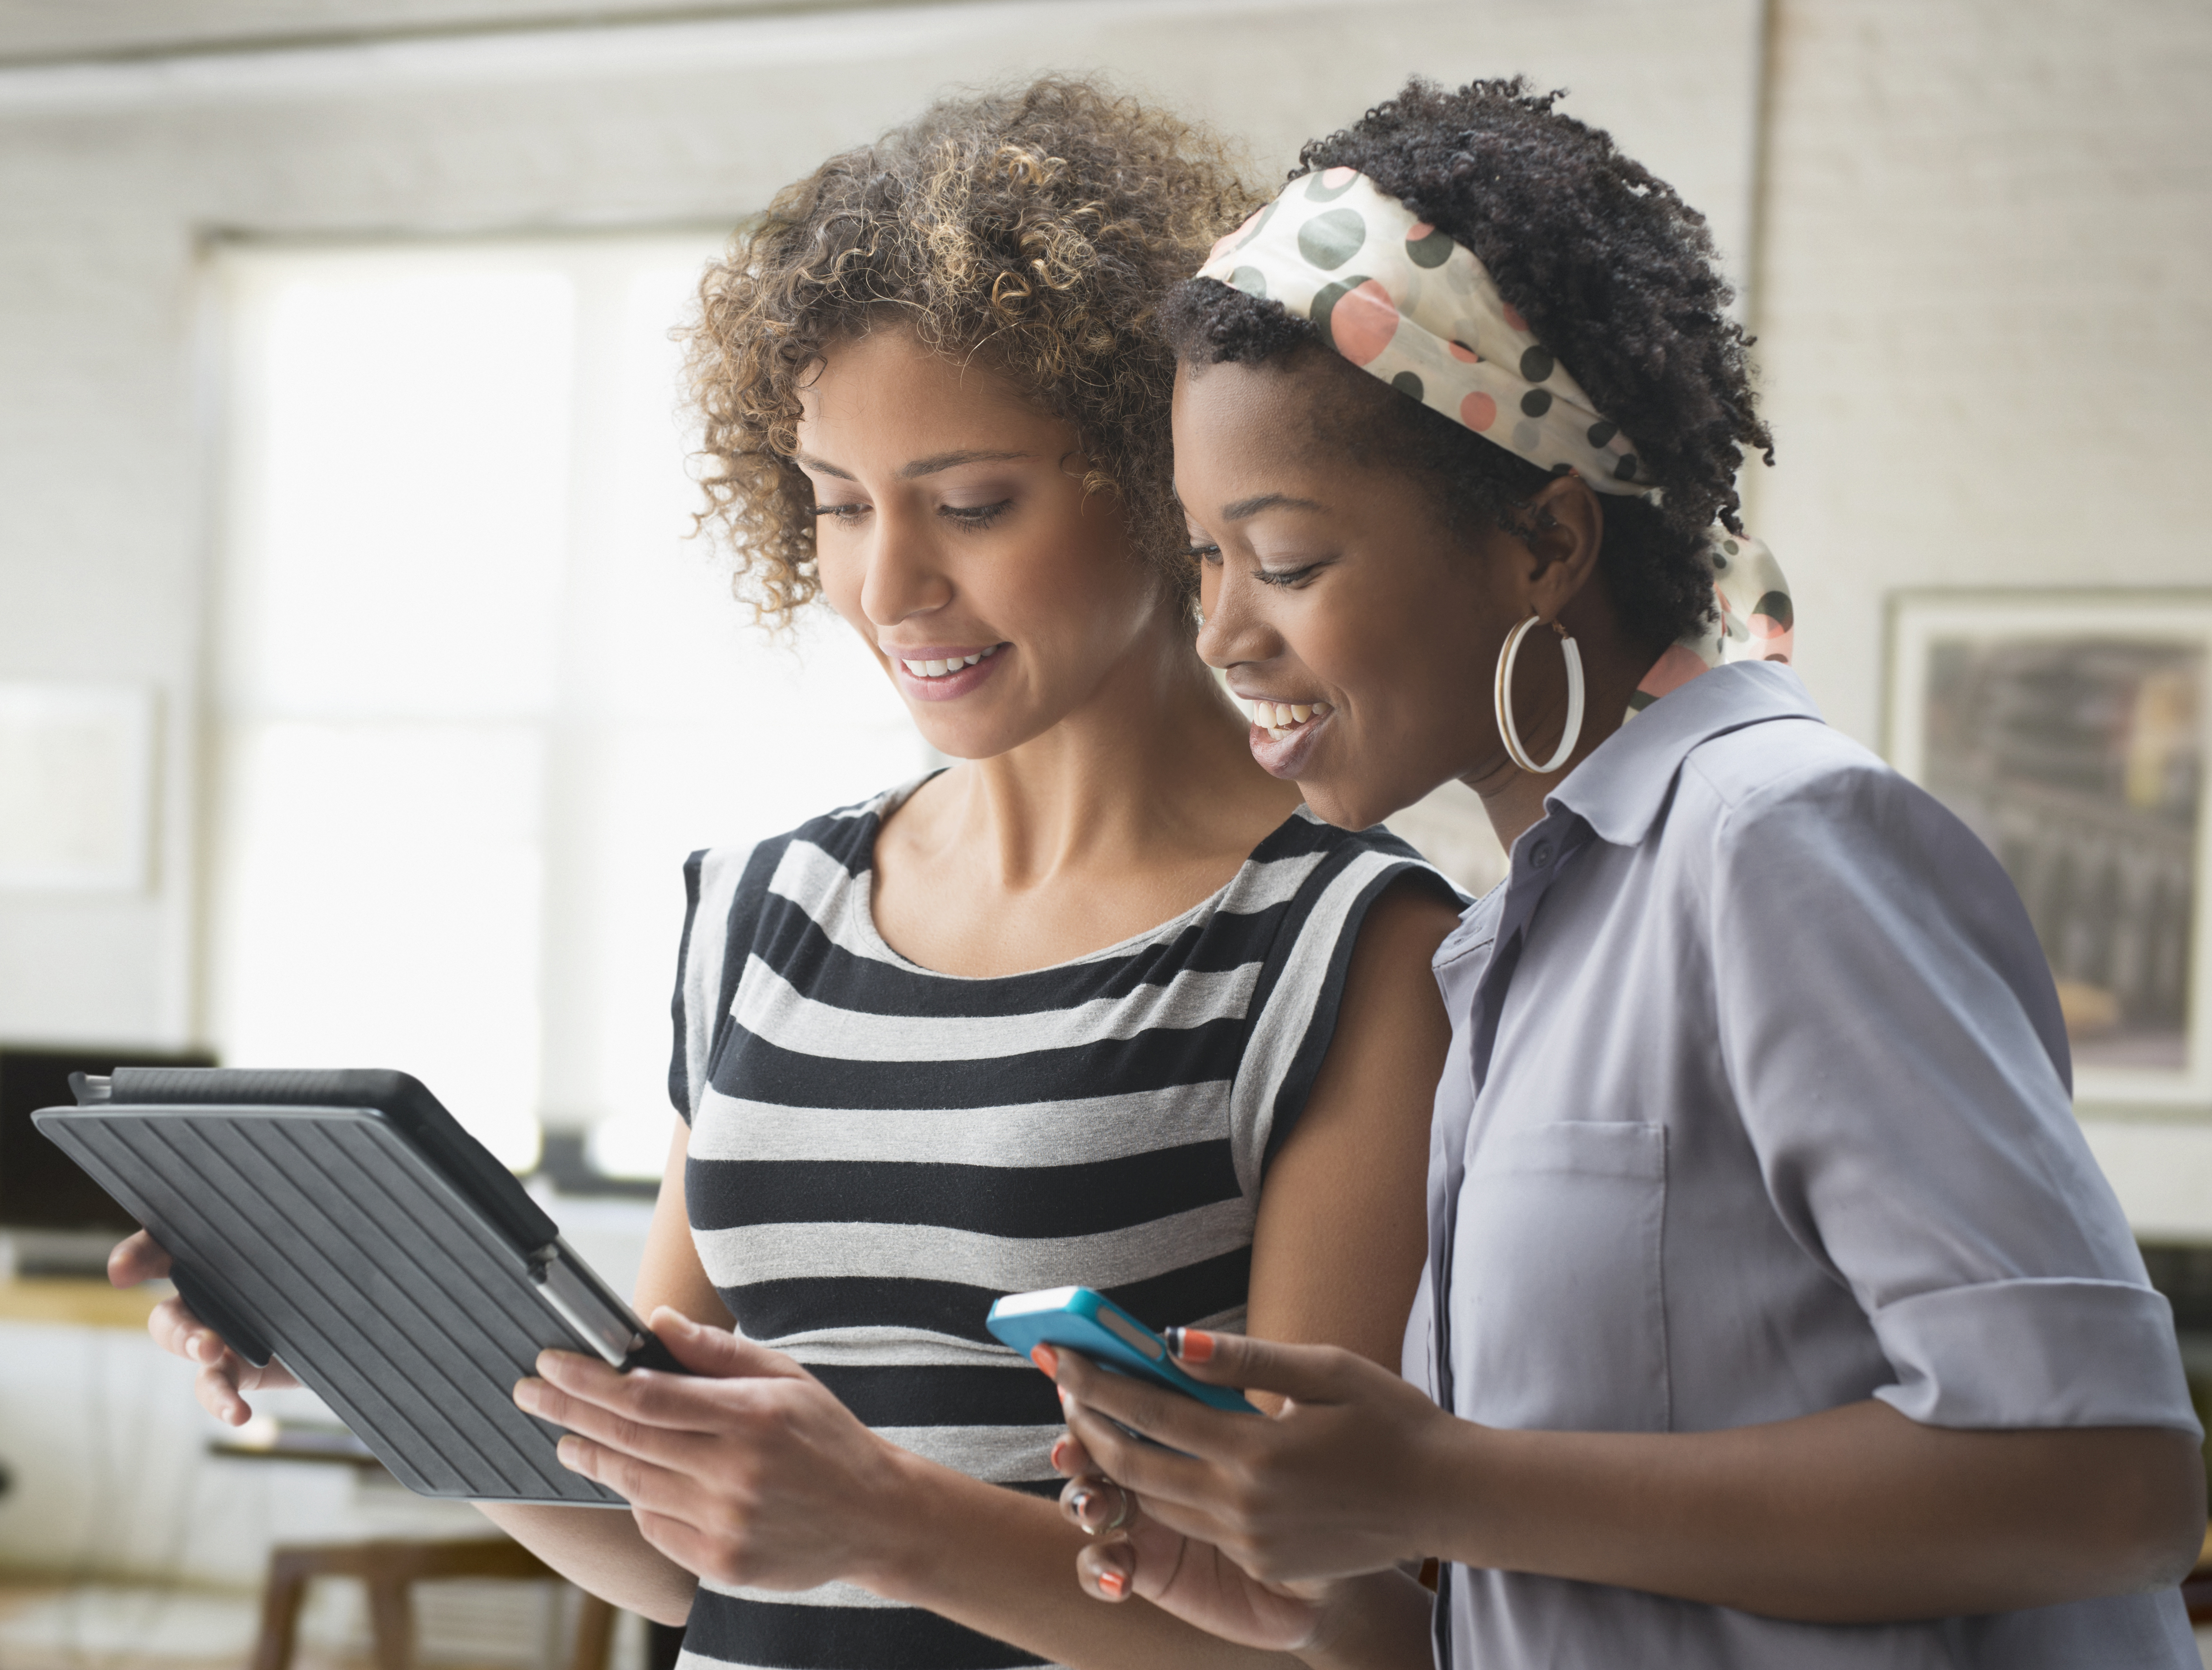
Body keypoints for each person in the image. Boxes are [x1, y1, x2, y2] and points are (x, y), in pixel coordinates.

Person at [114, 79, 1467, 1670]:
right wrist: (362, 1338)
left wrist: (888, 1517)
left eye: (970, 504)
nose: (888, 584)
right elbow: (682, 1553)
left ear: (1163, 472)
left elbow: (1332, 1642)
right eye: (836, 506)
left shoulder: (1348, 944)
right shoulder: (766, 914)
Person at [1040, 76, 2208, 1669]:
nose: (1226, 631)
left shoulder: (1776, 837)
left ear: (1543, 543)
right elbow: (1588, 1562)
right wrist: (1311, 1570)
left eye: (1289, 557)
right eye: (1206, 557)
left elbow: (2109, 1482)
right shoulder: (1517, 932)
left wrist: (1440, 1481)